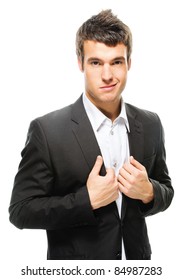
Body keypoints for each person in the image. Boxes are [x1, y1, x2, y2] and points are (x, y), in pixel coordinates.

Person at [9, 9, 174, 260]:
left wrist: (149, 192)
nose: (107, 75)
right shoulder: (47, 131)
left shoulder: (151, 123)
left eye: (116, 62)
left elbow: (166, 189)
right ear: (80, 63)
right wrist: (86, 201)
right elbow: (20, 211)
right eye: (96, 63)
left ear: (129, 62)